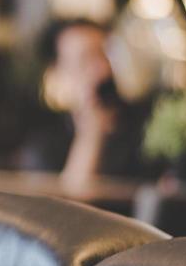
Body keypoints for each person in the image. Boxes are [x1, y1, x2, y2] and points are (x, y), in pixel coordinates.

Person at [18, 18, 148, 192]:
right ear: (58, 73)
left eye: (105, 55)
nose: (102, 70)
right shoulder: (45, 145)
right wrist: (91, 134)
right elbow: (64, 208)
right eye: (86, 60)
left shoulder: (145, 126)